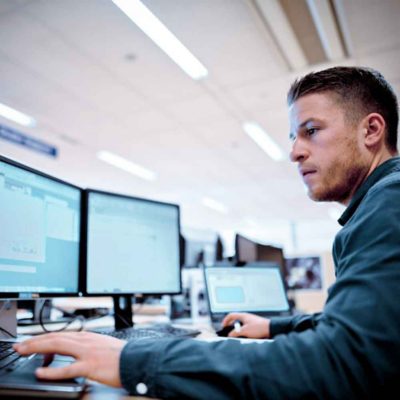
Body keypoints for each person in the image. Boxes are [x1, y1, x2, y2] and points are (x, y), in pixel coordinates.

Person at [14, 66, 400, 399]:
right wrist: (273, 326)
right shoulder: (381, 203)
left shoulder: (389, 203)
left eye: (311, 130)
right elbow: (369, 334)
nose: (295, 152)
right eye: (292, 137)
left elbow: (340, 364)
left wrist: (132, 360)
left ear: (371, 130)